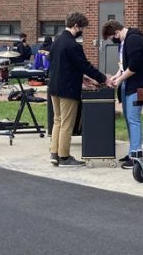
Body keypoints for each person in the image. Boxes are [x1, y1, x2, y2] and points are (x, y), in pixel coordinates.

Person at [47, 12, 110, 167]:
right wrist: (104, 79)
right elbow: (84, 65)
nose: (82, 31)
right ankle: (64, 157)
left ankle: (54, 154)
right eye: (82, 28)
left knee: (58, 121)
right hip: (67, 89)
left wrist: (82, 77)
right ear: (76, 26)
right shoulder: (73, 45)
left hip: (54, 86)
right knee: (67, 124)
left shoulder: (57, 41)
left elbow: (61, 64)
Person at [102, 20, 143, 169]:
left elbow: (133, 67)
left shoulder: (134, 39)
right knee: (128, 118)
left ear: (117, 32)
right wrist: (115, 76)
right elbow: (123, 66)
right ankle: (133, 150)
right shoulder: (122, 43)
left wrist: (119, 80)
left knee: (134, 118)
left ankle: (136, 154)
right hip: (128, 84)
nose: (113, 40)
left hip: (138, 84)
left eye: (112, 36)